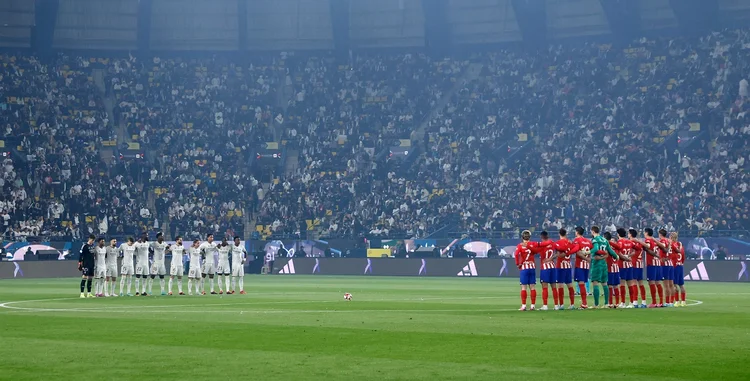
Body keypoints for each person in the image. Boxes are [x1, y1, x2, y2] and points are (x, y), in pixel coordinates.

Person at [514, 230, 552, 311]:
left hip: (524, 267)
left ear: (522, 237)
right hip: (532, 267)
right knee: (532, 287)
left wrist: (518, 264)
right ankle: (532, 305)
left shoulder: (520, 246)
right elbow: (540, 248)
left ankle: (524, 306)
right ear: (530, 237)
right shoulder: (533, 244)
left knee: (524, 287)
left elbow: (516, 254)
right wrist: (550, 242)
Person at [589, 226, 618, 308]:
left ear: (593, 231)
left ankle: (596, 304)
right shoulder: (605, 240)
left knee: (595, 283)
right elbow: (610, 250)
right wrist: (616, 256)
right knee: (604, 283)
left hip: (597, 263)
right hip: (604, 264)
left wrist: (587, 252)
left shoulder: (595, 240)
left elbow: (595, 249)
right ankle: (606, 303)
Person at [633, 228, 662, 308]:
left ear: (646, 233)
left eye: (644, 232)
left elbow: (648, 246)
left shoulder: (648, 240)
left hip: (651, 263)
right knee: (657, 283)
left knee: (651, 283)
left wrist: (639, 241)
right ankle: (661, 301)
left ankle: (654, 302)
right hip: (657, 263)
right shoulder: (655, 241)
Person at [552, 228, 577, 310]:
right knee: (570, 284)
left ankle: (561, 305)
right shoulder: (570, 242)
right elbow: (576, 248)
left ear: (559, 234)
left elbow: (557, 252)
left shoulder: (558, 243)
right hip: (568, 266)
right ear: (566, 234)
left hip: (561, 266)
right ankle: (572, 304)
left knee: (560, 285)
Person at [572, 226, 592, 309]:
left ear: (577, 232)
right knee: (583, 283)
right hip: (586, 265)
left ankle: (584, 303)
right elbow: (590, 251)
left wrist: (585, 258)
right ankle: (584, 303)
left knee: (581, 284)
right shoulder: (588, 241)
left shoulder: (577, 240)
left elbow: (578, 252)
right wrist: (588, 259)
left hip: (580, 264)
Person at [614, 229, 636, 308]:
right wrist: (629, 256)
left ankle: (623, 302)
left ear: (618, 234)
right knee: (630, 284)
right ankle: (631, 302)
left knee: (622, 284)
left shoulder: (619, 242)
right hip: (629, 265)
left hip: (622, 265)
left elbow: (618, 253)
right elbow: (634, 251)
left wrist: (625, 258)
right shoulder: (629, 242)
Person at [654, 229, 675, 307]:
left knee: (666, 285)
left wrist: (654, 240)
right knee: (671, 284)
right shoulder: (669, 241)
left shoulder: (663, 241)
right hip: (670, 263)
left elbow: (662, 248)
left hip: (665, 264)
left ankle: (666, 302)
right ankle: (671, 302)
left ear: (660, 234)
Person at [628, 229, 648, 308]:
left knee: (633, 283)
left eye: (628, 234)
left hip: (634, 264)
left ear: (630, 234)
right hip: (640, 264)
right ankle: (644, 302)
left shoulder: (631, 243)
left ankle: (635, 302)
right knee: (641, 283)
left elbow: (632, 252)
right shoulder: (640, 242)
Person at [537, 231, 557, 310]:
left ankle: (545, 305)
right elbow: (557, 253)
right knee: (554, 287)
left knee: (544, 286)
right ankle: (556, 305)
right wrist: (551, 258)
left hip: (545, 267)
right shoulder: (552, 243)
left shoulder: (541, 245)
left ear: (541, 237)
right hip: (552, 266)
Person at [670, 232, 687, 307]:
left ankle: (677, 301)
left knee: (674, 285)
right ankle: (683, 301)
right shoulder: (681, 246)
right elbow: (683, 257)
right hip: (680, 266)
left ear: (672, 238)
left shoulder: (672, 245)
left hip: (674, 266)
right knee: (681, 285)